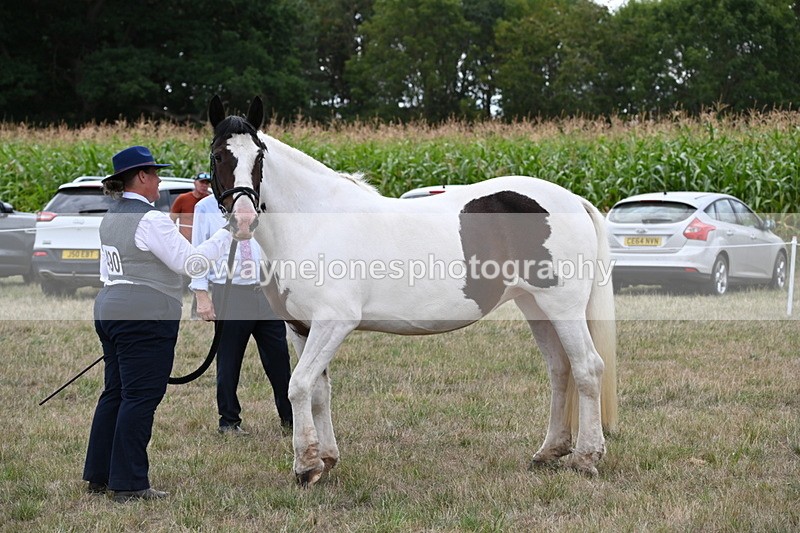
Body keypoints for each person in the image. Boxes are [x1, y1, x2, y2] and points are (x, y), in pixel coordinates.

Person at [83, 146, 233, 503]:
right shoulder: (149, 219)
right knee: (139, 398)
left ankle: (99, 475)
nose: (160, 179)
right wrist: (228, 233)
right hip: (143, 312)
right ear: (142, 177)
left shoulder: (112, 215)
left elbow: (110, 269)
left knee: (115, 393)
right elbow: (190, 262)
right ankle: (130, 483)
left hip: (110, 304)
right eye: (155, 173)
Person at [191, 194, 293, 435]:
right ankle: (229, 421)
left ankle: (290, 418)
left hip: (266, 291)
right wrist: (201, 294)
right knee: (229, 360)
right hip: (231, 293)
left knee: (279, 360)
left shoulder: (260, 203)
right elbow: (198, 252)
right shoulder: (205, 208)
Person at [169, 172, 211, 242]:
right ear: (195, 183)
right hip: (185, 242)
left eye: (206, 183)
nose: (204, 185)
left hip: (203, 243)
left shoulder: (209, 202)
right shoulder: (182, 198)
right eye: (202, 182)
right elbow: (171, 220)